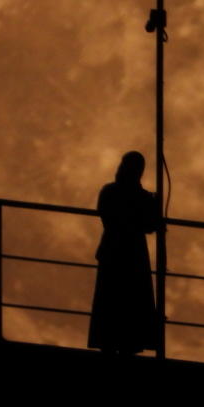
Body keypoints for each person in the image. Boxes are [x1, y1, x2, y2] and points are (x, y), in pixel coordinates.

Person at [87, 151, 160, 355]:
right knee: (129, 305)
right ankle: (124, 343)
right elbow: (149, 225)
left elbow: (108, 214)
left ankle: (112, 343)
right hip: (131, 255)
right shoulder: (140, 198)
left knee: (111, 303)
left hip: (115, 252)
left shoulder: (111, 191)